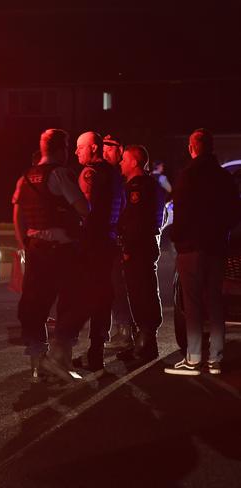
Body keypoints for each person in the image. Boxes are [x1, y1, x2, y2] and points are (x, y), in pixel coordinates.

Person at [13, 128, 89, 382]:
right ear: (61, 149)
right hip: (61, 250)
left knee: (35, 306)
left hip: (35, 248)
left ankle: (37, 364)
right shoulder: (60, 174)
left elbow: (18, 215)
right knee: (73, 302)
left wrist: (26, 243)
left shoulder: (25, 176)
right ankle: (59, 357)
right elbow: (83, 207)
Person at [165, 129, 240, 376]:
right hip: (217, 247)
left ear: (192, 148)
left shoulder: (188, 176)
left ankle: (194, 358)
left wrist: (177, 238)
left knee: (193, 304)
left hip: (192, 248)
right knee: (215, 302)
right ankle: (215, 359)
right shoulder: (223, 177)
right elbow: (234, 212)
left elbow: (182, 213)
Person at [75, 131, 123, 370]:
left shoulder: (89, 173)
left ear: (93, 148)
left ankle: (81, 351)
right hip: (110, 241)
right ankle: (97, 351)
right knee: (104, 296)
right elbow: (121, 205)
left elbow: (84, 210)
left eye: (80, 147)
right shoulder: (114, 173)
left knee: (86, 296)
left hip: (91, 244)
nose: (76, 152)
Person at [117, 145, 165, 362]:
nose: (121, 163)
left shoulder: (138, 187)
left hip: (138, 248)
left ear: (134, 162)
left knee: (141, 293)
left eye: (124, 159)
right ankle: (143, 341)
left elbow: (136, 223)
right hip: (143, 246)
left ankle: (146, 343)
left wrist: (127, 248)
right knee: (140, 292)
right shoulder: (149, 185)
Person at [102, 134, 135, 350]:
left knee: (117, 287)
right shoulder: (108, 175)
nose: (106, 154)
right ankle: (118, 330)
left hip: (116, 239)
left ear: (119, 150)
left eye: (110, 149)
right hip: (109, 238)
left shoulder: (118, 176)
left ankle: (125, 331)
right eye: (103, 149)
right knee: (110, 288)